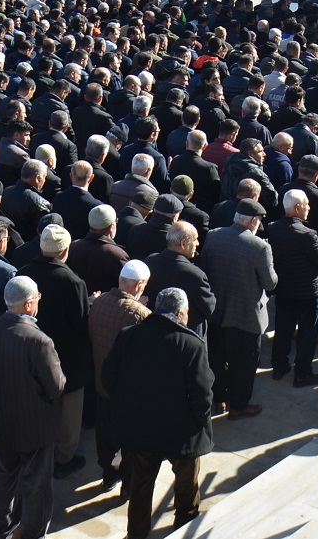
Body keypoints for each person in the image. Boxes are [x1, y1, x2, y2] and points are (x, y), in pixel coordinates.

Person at [102, 286, 214, 539]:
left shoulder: (129, 336)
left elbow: (109, 377)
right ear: (181, 313)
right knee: (186, 483)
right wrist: (198, 422)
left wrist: (128, 407)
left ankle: (137, 533)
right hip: (181, 431)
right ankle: (184, 526)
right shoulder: (192, 345)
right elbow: (202, 395)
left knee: (141, 485)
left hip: (141, 428)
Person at [0, 276, 66, 539]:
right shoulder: (40, 341)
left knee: (4, 480)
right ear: (27, 304)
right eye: (37, 297)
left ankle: (5, 529)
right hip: (34, 428)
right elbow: (57, 387)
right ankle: (32, 532)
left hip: (0, 422)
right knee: (36, 484)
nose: (38, 302)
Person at [15, 224, 89, 477]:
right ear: (65, 250)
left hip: (31, 356)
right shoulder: (73, 282)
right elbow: (81, 323)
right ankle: (63, 457)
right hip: (66, 358)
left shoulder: (24, 274)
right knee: (68, 413)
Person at [200, 198, 276, 418]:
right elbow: (270, 283)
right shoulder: (261, 247)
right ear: (253, 221)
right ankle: (239, 405)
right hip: (246, 316)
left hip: (217, 311)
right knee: (244, 364)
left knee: (217, 357)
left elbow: (206, 268)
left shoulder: (214, 235)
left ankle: (220, 399)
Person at [89, 259, 151, 493]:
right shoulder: (140, 315)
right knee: (128, 440)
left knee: (105, 435)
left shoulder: (100, 301)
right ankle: (127, 482)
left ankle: (108, 475)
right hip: (127, 393)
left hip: (101, 383)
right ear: (138, 286)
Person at [265, 189, 318, 387]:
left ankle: (279, 366)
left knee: (283, 329)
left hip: (284, 290)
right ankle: (302, 373)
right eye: (307, 204)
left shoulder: (273, 228)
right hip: (307, 293)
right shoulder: (307, 234)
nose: (309, 208)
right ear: (298, 207)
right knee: (307, 333)